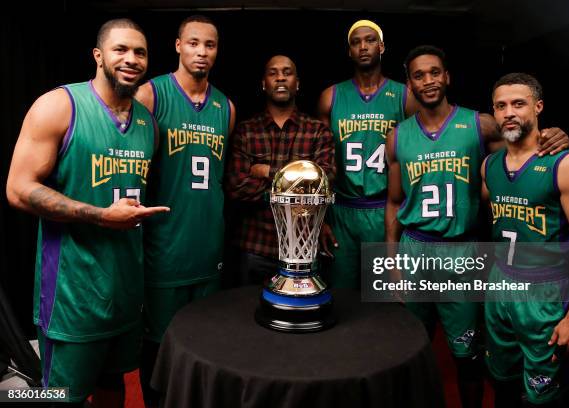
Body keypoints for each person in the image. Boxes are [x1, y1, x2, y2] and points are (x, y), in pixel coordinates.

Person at [385, 45, 569, 408]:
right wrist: (390, 260)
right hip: (413, 249)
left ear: (447, 76)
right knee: (407, 349)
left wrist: (557, 136)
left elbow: (526, 149)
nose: (428, 80)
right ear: (409, 84)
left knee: (467, 355)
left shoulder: (479, 122)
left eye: (435, 72)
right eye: (419, 75)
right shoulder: (397, 136)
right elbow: (393, 201)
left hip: (462, 248)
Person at [5, 19, 169, 407]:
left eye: (140, 52)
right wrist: (98, 215)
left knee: (114, 387)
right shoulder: (59, 105)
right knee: (63, 396)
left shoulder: (148, 123)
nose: (131, 59)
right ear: (98, 56)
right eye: (121, 50)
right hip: (72, 297)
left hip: (125, 293)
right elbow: (18, 189)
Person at [481, 73, 569, 408]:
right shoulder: (489, 166)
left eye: (518, 103)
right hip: (500, 285)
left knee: (543, 394)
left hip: (545, 291)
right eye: (501, 105)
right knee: (502, 382)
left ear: (538, 107)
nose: (509, 112)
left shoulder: (566, 165)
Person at [134, 14, 235, 408]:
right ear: (178, 46)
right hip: (164, 248)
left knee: (205, 343)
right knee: (158, 347)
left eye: (209, 45)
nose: (201, 52)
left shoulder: (225, 107)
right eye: (193, 43)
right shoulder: (151, 94)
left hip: (208, 246)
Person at [317, 19, 418, 289]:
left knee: (383, 300)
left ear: (382, 46)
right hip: (342, 211)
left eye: (370, 40)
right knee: (341, 297)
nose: (363, 46)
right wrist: (322, 219)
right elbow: (321, 163)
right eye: (356, 42)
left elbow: (420, 153)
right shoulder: (331, 97)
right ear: (349, 51)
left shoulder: (404, 96)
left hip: (384, 208)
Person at [226, 55, 335, 284]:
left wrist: (266, 171)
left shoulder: (317, 131)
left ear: (298, 83)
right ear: (264, 84)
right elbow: (236, 187)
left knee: (300, 316)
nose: (281, 77)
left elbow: (323, 182)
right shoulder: (247, 131)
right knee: (244, 315)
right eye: (273, 73)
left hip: (304, 250)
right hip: (254, 248)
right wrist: (298, 184)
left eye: (287, 72)